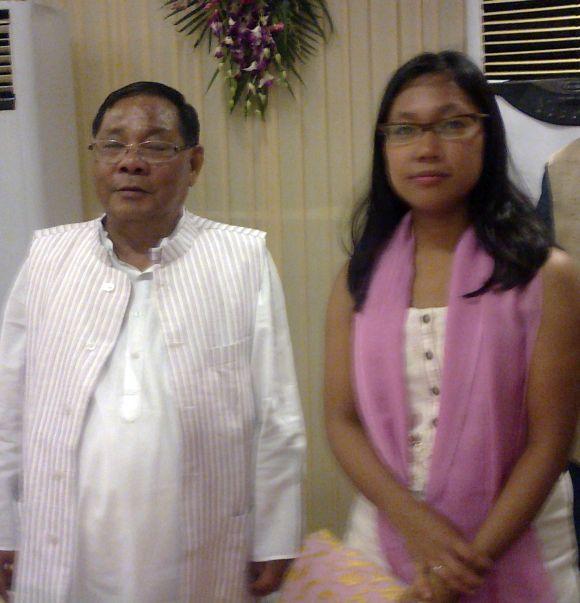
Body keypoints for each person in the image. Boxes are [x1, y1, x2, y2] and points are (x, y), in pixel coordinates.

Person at [0, 81, 305, 602]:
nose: (130, 161)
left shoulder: (241, 259)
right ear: (95, 158)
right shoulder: (49, 257)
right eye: (113, 144)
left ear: (194, 163)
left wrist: (276, 534)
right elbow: (11, 404)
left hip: (198, 541)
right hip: (69, 539)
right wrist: (5, 526)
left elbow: (275, 411)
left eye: (156, 145)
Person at [324, 51, 579, 602]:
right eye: (405, 130)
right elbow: (341, 421)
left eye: (453, 124)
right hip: (385, 537)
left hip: (517, 540)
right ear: (384, 144)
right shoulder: (357, 278)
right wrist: (414, 523)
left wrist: (461, 565)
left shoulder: (546, 275)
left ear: (487, 136)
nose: (426, 148)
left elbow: (549, 443)